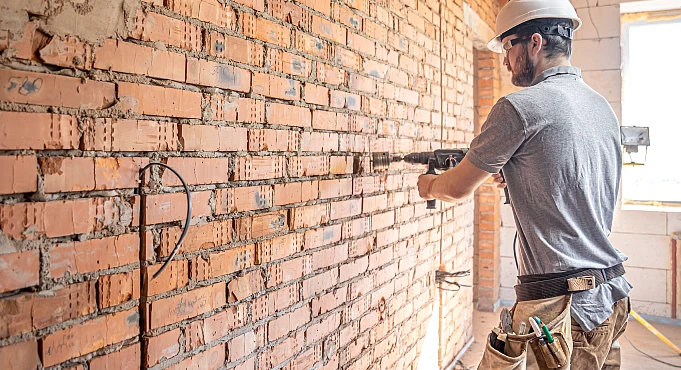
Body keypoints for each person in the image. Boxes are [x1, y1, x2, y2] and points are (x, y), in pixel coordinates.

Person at [416, 0, 632, 368]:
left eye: (507, 46)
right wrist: (525, 178)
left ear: (534, 42)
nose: (504, 60)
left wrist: (429, 184)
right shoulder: (601, 107)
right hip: (610, 297)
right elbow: (584, 185)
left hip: (561, 311)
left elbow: (456, 188)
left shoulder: (519, 108)